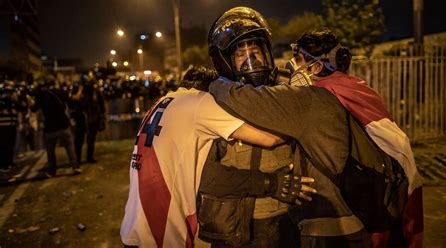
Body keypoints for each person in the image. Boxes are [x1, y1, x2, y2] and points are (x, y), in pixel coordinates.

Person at [119, 65, 314, 248]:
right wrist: (302, 120)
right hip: (161, 231)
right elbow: (267, 138)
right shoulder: (199, 101)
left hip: (133, 225)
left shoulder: (163, 102)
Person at [288, 28, 423, 248]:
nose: (293, 65)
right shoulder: (355, 86)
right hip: (392, 185)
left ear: (317, 66)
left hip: (369, 195)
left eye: (298, 59)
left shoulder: (323, 94)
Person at [197, 7, 302, 248]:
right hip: (236, 232)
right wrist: (268, 184)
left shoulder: (288, 95)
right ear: (225, 61)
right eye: (240, 54)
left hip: (288, 225)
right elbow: (207, 178)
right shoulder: (213, 106)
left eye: (255, 50)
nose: (251, 59)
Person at [29, 76, 81, 176]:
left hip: (50, 127)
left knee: (50, 151)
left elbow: (33, 108)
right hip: (63, 124)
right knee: (70, 147)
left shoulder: (41, 95)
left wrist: (30, 100)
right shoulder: (60, 92)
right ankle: (75, 167)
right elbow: (72, 101)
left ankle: (52, 171)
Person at [0, 81, 25, 172]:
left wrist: (16, 99)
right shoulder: (2, 102)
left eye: (10, 92)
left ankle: (9, 162)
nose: (9, 95)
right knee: (3, 146)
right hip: (2, 127)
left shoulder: (13, 102)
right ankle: (3, 164)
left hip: (12, 126)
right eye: (7, 92)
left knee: (11, 145)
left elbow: (22, 108)